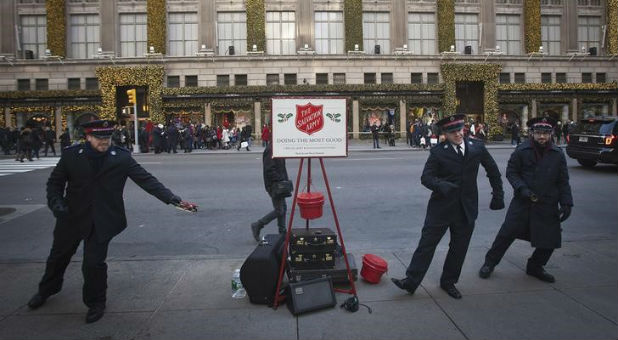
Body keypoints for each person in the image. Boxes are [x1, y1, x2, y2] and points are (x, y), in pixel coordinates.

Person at [26, 120, 197, 324]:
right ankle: (46, 290)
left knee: (94, 264)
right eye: (99, 138)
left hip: (102, 219)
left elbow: (147, 180)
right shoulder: (72, 155)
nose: (104, 142)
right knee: (58, 256)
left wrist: (173, 199)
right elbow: (54, 184)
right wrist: (57, 205)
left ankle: (96, 303)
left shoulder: (121, 158)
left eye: (107, 138)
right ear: (88, 137)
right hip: (71, 217)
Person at [391, 114, 504, 299]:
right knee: (426, 245)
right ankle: (410, 282)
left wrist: (498, 195)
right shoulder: (438, 152)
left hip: (466, 208)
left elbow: (493, 171)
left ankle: (448, 282)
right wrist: (441, 185)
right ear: (445, 133)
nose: (458, 134)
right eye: (453, 132)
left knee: (459, 248)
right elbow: (426, 178)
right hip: (441, 208)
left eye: (460, 130)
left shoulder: (477, 147)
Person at [479, 117, 573, 283]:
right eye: (538, 133)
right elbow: (512, 172)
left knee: (549, 239)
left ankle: (535, 266)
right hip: (523, 201)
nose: (542, 137)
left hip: (547, 203)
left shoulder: (558, 154)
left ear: (551, 134)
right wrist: (522, 188)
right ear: (532, 133)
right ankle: (490, 262)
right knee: (506, 234)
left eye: (545, 133)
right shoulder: (522, 150)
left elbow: (563, 180)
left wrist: (566, 202)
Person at [250, 142, 290, 241]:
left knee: (283, 208)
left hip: (279, 183)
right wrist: (280, 180)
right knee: (279, 210)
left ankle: (282, 232)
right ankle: (258, 225)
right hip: (274, 184)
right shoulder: (271, 149)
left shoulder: (277, 147)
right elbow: (269, 169)